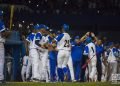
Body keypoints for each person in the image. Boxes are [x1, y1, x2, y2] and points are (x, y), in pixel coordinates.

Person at [0, 10, 6, 83]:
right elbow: (3, 33)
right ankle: (0, 78)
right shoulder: (0, 22)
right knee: (1, 61)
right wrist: (8, 33)